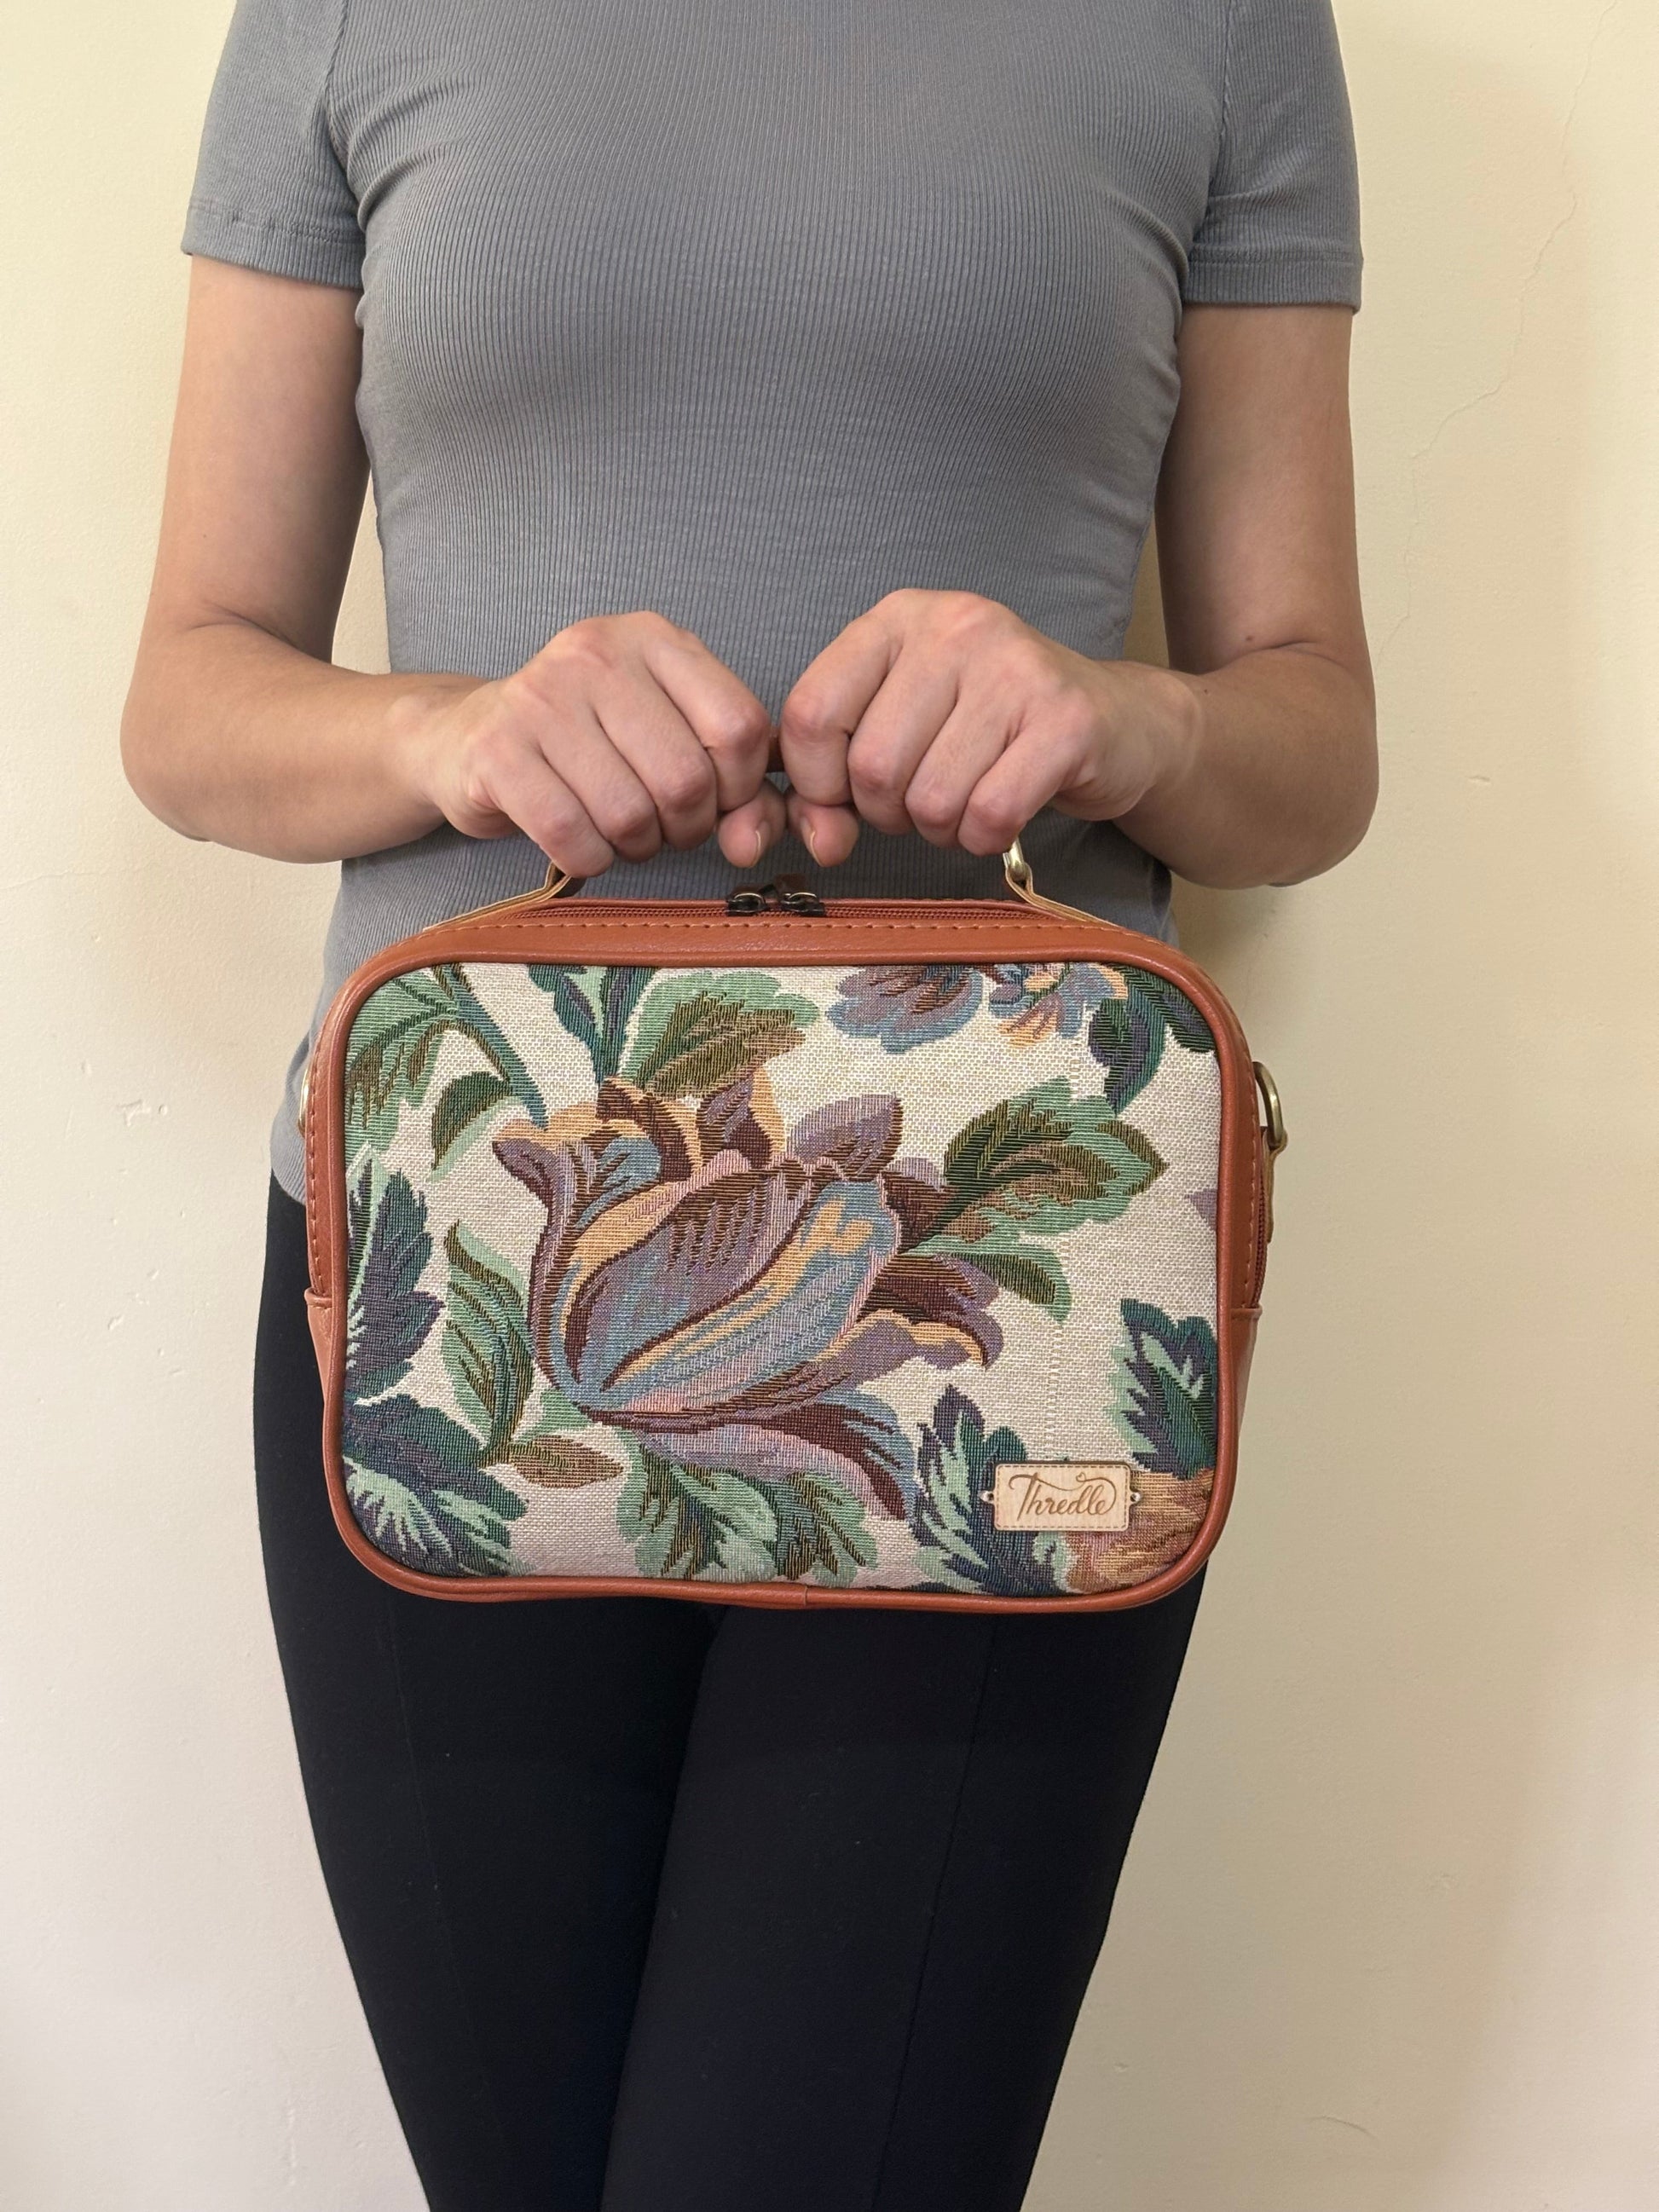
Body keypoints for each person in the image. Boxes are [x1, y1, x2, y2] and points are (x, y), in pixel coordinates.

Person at [122, 0, 1375, 2203]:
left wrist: (1130, 720)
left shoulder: (1222, 24)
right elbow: (190, 695)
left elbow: (1314, 747)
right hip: (447, 1277)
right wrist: (450, 733)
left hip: (997, 1306)